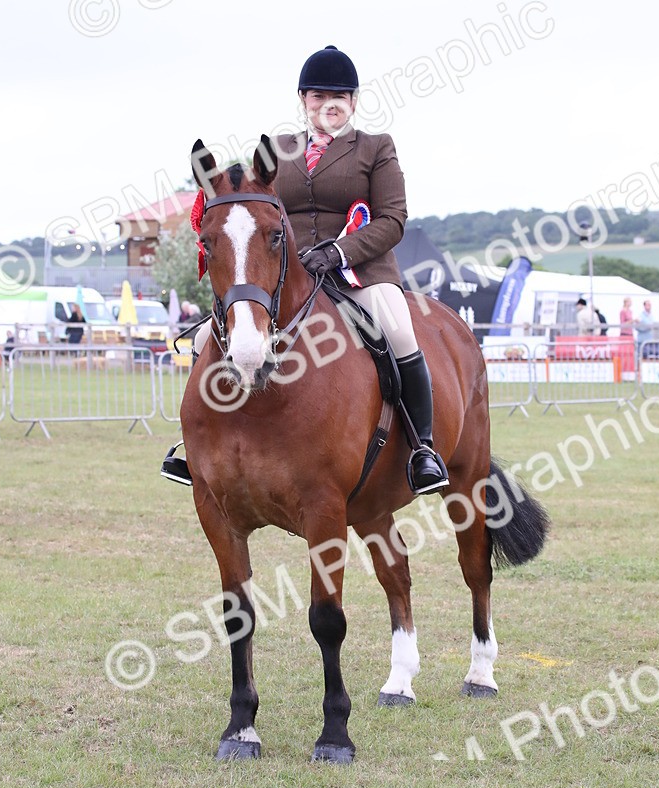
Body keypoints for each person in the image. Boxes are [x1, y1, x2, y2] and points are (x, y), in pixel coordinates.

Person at [162, 45, 448, 495]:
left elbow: (393, 220)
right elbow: (254, 211)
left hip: (360, 275)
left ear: (353, 102)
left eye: (339, 96)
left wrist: (339, 253)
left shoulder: (375, 148)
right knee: (205, 338)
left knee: (398, 331)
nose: (327, 103)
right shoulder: (278, 152)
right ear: (303, 99)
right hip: (289, 276)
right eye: (318, 95)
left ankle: (422, 449)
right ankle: (197, 445)